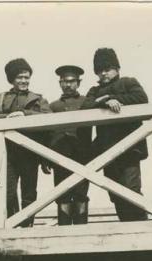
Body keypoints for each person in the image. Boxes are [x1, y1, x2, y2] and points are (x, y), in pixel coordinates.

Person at [81, 48, 149, 222]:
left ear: (117, 69)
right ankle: (127, 228)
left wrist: (113, 98)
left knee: (131, 190)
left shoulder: (128, 82)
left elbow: (141, 99)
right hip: (107, 151)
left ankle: (140, 227)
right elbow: (85, 107)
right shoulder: (94, 91)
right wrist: (106, 101)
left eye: (108, 69)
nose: (103, 73)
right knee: (115, 194)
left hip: (130, 148)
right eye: (99, 70)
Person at [0, 58, 51, 227]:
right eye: (20, 77)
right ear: (12, 79)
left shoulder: (38, 99)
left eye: (27, 77)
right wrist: (6, 117)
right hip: (7, 153)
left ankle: (27, 225)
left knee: (29, 191)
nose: (24, 81)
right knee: (7, 191)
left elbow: (47, 117)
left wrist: (24, 114)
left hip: (29, 151)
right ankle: (11, 224)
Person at [47, 65, 92, 225]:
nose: (68, 85)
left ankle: (82, 233)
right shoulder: (53, 106)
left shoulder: (87, 102)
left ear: (78, 83)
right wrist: (46, 159)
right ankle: (63, 232)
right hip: (59, 158)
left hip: (82, 157)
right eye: (64, 81)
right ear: (60, 83)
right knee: (62, 194)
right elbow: (47, 135)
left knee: (81, 194)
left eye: (72, 81)